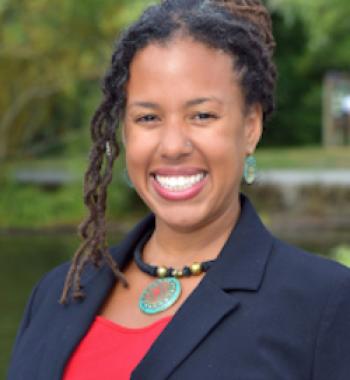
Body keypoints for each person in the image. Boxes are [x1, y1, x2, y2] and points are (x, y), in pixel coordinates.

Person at [7, 0, 350, 379]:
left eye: (202, 115)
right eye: (148, 117)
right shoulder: (59, 292)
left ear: (250, 126)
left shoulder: (326, 304)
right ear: (125, 130)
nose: (172, 146)